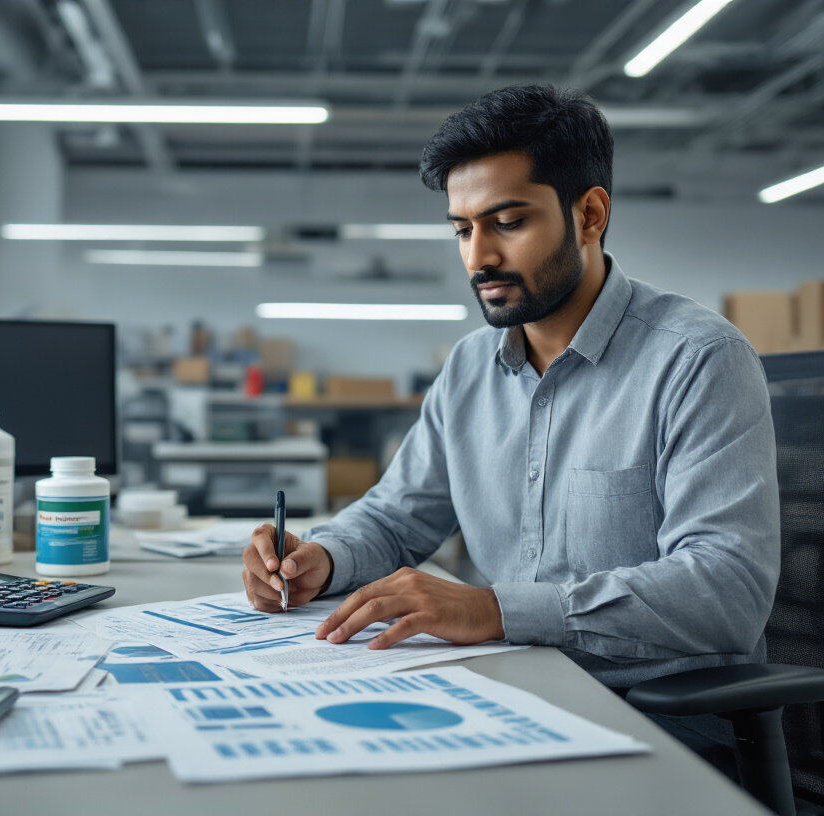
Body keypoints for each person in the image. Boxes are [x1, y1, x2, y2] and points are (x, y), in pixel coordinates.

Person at [240, 84, 780, 767]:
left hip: (653, 728)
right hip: (503, 700)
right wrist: (321, 559)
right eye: (463, 229)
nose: (478, 258)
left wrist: (496, 610)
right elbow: (396, 518)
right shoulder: (471, 366)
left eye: (507, 222)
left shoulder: (698, 359)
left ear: (589, 214)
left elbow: (725, 591)